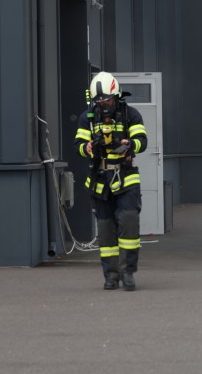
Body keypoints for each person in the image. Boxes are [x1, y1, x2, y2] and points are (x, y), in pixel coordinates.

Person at [74, 71, 148, 291]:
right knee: (106, 230)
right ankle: (111, 276)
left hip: (126, 178)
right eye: (98, 100)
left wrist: (128, 144)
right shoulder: (86, 117)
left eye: (106, 99)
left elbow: (142, 141)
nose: (103, 104)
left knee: (129, 224)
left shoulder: (131, 114)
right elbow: (78, 144)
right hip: (100, 180)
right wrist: (87, 147)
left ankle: (128, 273)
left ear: (115, 95)